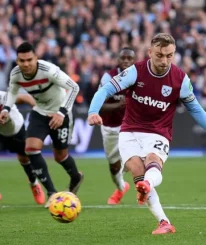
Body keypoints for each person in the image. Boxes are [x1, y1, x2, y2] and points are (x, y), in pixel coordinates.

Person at [88, 33, 206, 235]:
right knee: (136, 170)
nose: (165, 60)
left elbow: (195, 109)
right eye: (160, 55)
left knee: (152, 162)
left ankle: (149, 189)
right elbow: (105, 90)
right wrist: (92, 112)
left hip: (158, 132)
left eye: (169, 55)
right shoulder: (135, 72)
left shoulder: (180, 79)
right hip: (129, 131)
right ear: (150, 52)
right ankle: (163, 221)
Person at [0, 42, 83, 207]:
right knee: (30, 148)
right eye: (22, 61)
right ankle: (52, 193)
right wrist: (6, 109)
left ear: (36, 58)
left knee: (60, 156)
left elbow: (74, 87)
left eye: (29, 59)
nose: (26, 64)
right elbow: (12, 91)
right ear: (17, 61)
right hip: (40, 112)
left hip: (60, 112)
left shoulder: (49, 70)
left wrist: (61, 112)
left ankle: (76, 177)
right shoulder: (15, 74)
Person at [99, 47, 135, 205]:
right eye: (123, 58)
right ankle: (121, 187)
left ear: (134, 61)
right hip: (110, 127)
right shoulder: (109, 77)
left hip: (132, 125)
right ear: (118, 60)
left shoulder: (139, 76)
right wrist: (118, 105)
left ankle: (145, 191)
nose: (126, 61)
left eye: (129, 58)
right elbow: (99, 105)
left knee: (138, 159)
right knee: (114, 167)